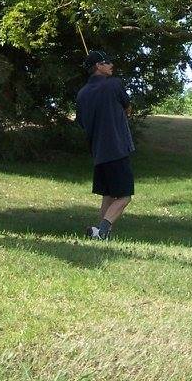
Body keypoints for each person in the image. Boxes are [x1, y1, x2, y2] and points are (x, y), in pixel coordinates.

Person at [76, 50, 134, 240]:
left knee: (108, 195)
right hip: (117, 149)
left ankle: (99, 234)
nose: (111, 65)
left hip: (98, 153)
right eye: (106, 62)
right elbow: (128, 107)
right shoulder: (114, 85)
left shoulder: (82, 94)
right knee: (125, 196)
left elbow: (82, 122)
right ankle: (102, 230)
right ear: (98, 67)